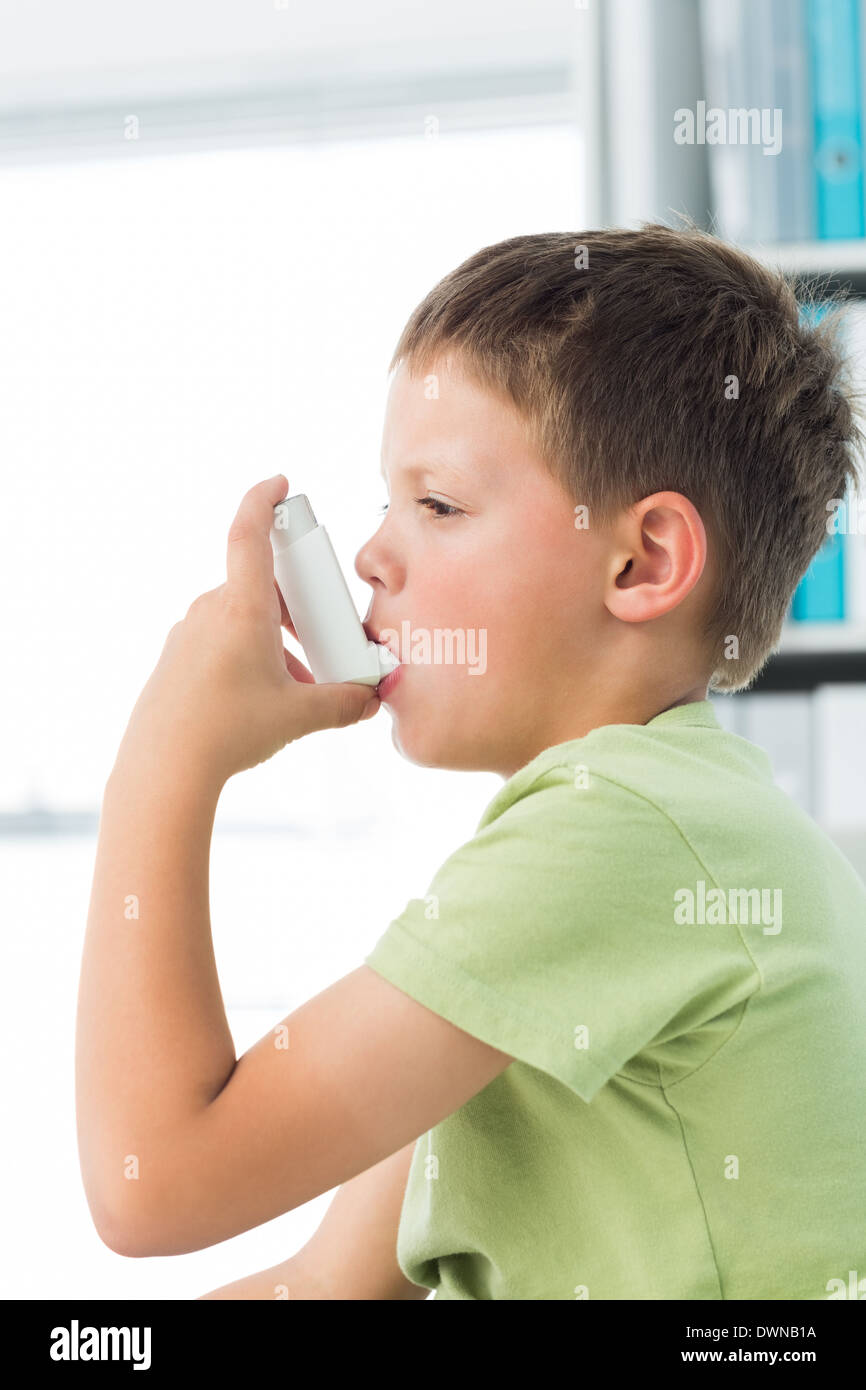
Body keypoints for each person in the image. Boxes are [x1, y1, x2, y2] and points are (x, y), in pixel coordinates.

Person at [76, 223, 866, 1300]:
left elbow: (154, 1184)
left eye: (436, 504)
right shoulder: (627, 846)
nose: (368, 555)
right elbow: (322, 1293)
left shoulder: (623, 830)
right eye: (383, 503)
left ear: (640, 561)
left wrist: (162, 756)